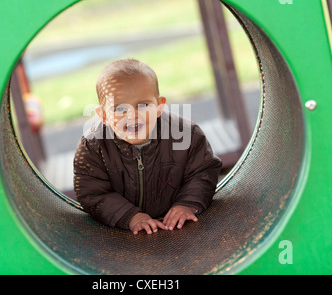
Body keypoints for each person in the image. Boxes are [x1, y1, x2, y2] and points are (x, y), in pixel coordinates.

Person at [73, 58, 222, 235]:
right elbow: (92, 193)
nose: (133, 115)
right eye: (120, 109)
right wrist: (130, 216)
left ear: (159, 106)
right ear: (103, 115)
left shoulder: (186, 134)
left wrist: (188, 204)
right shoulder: (93, 146)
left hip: (177, 224)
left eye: (143, 105)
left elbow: (203, 172)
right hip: (125, 232)